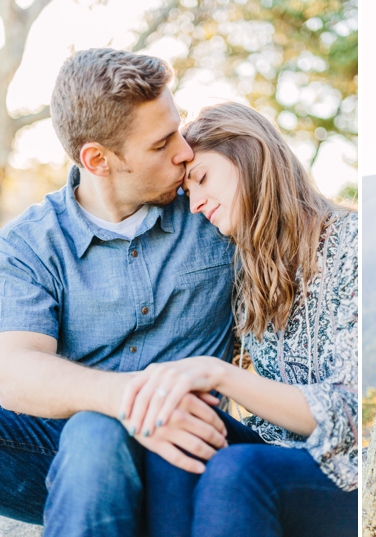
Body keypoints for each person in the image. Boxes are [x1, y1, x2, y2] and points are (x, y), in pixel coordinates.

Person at [0, 48, 235, 536]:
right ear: (97, 159)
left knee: (95, 430)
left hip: (189, 441)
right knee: (94, 430)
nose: (185, 153)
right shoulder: (30, 244)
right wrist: (130, 399)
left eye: (179, 129)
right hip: (63, 451)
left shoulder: (212, 204)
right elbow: (13, 368)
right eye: (160, 144)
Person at [117, 102, 358, 536]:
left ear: (250, 152)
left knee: (238, 470)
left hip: (351, 468)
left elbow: (349, 413)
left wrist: (216, 374)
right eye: (189, 194)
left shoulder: (351, 246)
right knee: (175, 427)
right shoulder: (244, 264)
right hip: (272, 452)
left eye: (203, 179)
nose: (195, 205)